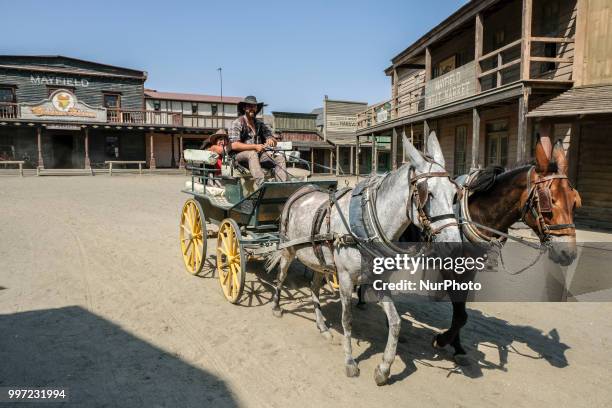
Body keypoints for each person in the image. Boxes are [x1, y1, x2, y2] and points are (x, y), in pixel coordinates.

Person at [229, 95, 287, 186]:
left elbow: (272, 138)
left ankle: (281, 186)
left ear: (256, 108)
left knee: (280, 158)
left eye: (254, 106)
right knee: (252, 153)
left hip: (258, 156)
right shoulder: (237, 123)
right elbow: (234, 145)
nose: (252, 108)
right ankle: (262, 185)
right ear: (244, 108)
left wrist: (271, 140)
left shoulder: (259, 124)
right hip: (239, 157)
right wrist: (255, 147)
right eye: (249, 106)